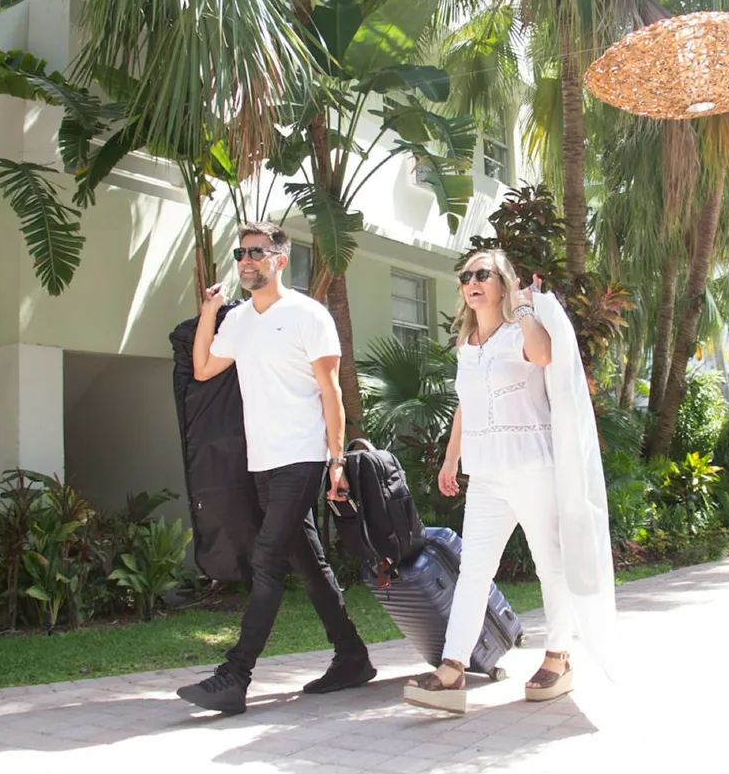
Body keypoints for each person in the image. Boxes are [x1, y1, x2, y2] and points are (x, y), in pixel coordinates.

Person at [177, 222, 375, 714]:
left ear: (279, 260)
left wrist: (336, 460)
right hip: (262, 460)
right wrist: (209, 314)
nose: (246, 261)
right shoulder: (238, 320)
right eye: (241, 253)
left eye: (256, 253)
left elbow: (331, 391)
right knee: (306, 561)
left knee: (266, 559)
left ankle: (235, 675)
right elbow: (203, 369)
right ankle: (352, 656)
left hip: (303, 455)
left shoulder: (309, 315)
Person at [403, 249, 592, 714]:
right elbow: (465, 406)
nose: (472, 281)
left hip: (533, 468)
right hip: (486, 476)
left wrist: (524, 308)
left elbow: (544, 354)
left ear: (502, 283)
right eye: (466, 275)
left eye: (482, 274)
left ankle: (559, 657)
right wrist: (451, 459)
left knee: (550, 565)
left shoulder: (517, 332)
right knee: (473, 571)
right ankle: (452, 668)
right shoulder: (468, 347)